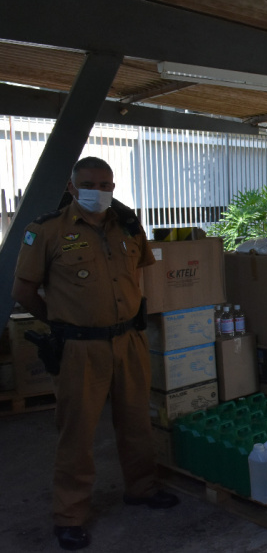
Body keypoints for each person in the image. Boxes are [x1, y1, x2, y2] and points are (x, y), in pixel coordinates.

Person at [11, 157, 178, 551]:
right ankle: (69, 515)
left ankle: (141, 487)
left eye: (105, 184)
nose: (98, 191)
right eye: (89, 183)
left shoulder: (129, 228)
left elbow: (139, 273)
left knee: (137, 421)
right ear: (72, 187)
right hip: (80, 348)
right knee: (78, 433)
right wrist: (62, 324)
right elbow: (23, 291)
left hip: (129, 342)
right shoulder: (47, 231)